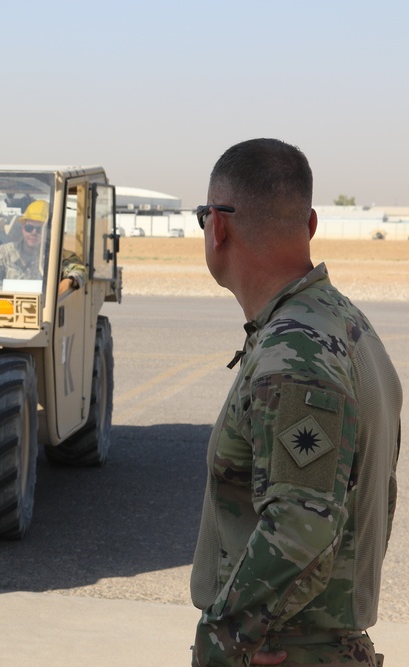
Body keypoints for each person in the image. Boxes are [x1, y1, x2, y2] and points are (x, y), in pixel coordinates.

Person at [190, 138, 402, 666]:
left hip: (285, 652)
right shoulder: (343, 322)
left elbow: (301, 522)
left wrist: (223, 642)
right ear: (309, 225)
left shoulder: (296, 350)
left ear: (218, 226)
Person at [0, 199, 85, 293]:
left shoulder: (58, 256)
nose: (33, 233)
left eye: (39, 229)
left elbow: (79, 270)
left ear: (48, 232)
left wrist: (69, 281)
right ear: (22, 228)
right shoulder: (5, 253)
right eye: (29, 227)